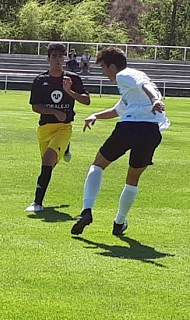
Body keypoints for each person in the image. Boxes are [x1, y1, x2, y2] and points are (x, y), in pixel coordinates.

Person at [71, 47, 170, 237]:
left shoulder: (124, 75)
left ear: (112, 66)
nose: (104, 73)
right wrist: (96, 115)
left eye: (104, 68)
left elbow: (145, 87)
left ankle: (86, 211)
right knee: (132, 179)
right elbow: (118, 110)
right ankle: (119, 222)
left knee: (98, 165)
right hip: (150, 132)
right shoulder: (129, 85)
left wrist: (156, 100)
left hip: (130, 128)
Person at [24, 43, 90, 213]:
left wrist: (70, 92)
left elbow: (86, 100)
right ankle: (66, 149)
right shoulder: (40, 80)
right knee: (49, 165)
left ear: (65, 59)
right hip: (44, 129)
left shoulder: (72, 79)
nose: (58, 60)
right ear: (48, 59)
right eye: (54, 56)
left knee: (48, 159)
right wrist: (53, 111)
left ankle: (37, 203)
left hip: (64, 128)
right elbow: (35, 106)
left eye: (61, 56)